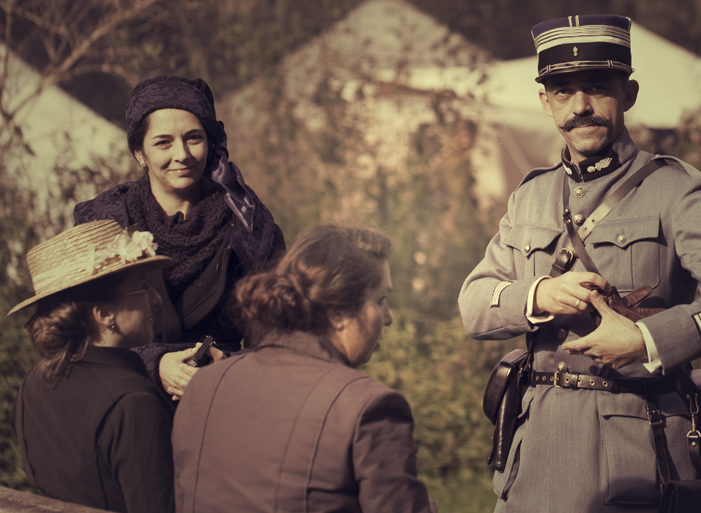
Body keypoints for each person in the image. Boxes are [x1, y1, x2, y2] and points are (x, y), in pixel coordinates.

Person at [459, 15, 701, 512]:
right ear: (545, 101)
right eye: (562, 91)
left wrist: (647, 339)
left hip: (636, 455)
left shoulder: (674, 188)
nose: (580, 106)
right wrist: (537, 294)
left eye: (597, 88)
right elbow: (474, 305)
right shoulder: (530, 196)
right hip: (534, 457)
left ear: (629, 93)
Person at [171, 225, 436, 513]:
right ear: (337, 313)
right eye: (380, 300)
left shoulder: (203, 385)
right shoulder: (367, 407)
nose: (388, 318)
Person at [74, 76, 285, 400]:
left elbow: (280, 336)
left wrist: (225, 366)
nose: (182, 154)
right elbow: (80, 334)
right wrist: (154, 364)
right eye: (163, 142)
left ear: (211, 143)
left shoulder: (249, 225)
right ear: (139, 151)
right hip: (128, 402)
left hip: (225, 401)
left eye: (193, 138)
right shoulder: (105, 223)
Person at [10, 220, 177, 513]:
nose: (156, 300)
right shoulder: (134, 404)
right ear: (103, 314)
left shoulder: (32, 385)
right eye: (142, 288)